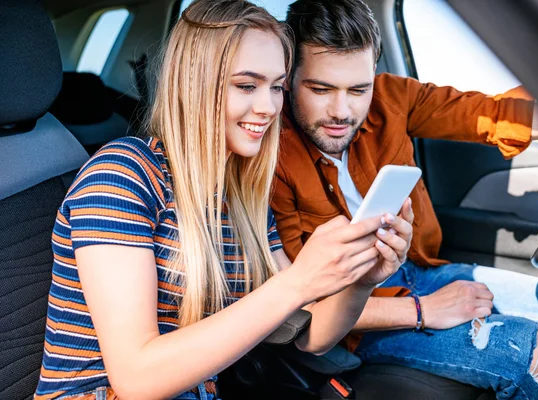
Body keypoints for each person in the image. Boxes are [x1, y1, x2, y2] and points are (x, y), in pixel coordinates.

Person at [34, 1, 415, 399]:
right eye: (246, 86)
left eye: (276, 87)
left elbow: (308, 334)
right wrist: (296, 283)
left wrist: (362, 281)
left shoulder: (241, 200)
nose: (268, 107)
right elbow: (136, 378)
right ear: (194, 84)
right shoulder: (123, 176)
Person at [270, 0, 538, 399]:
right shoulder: (271, 158)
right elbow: (302, 305)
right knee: (530, 352)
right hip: (354, 317)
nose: (341, 111)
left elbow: (494, 114)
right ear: (288, 77)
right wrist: (425, 309)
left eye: (358, 89)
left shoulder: (392, 97)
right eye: (320, 89)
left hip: (421, 271)